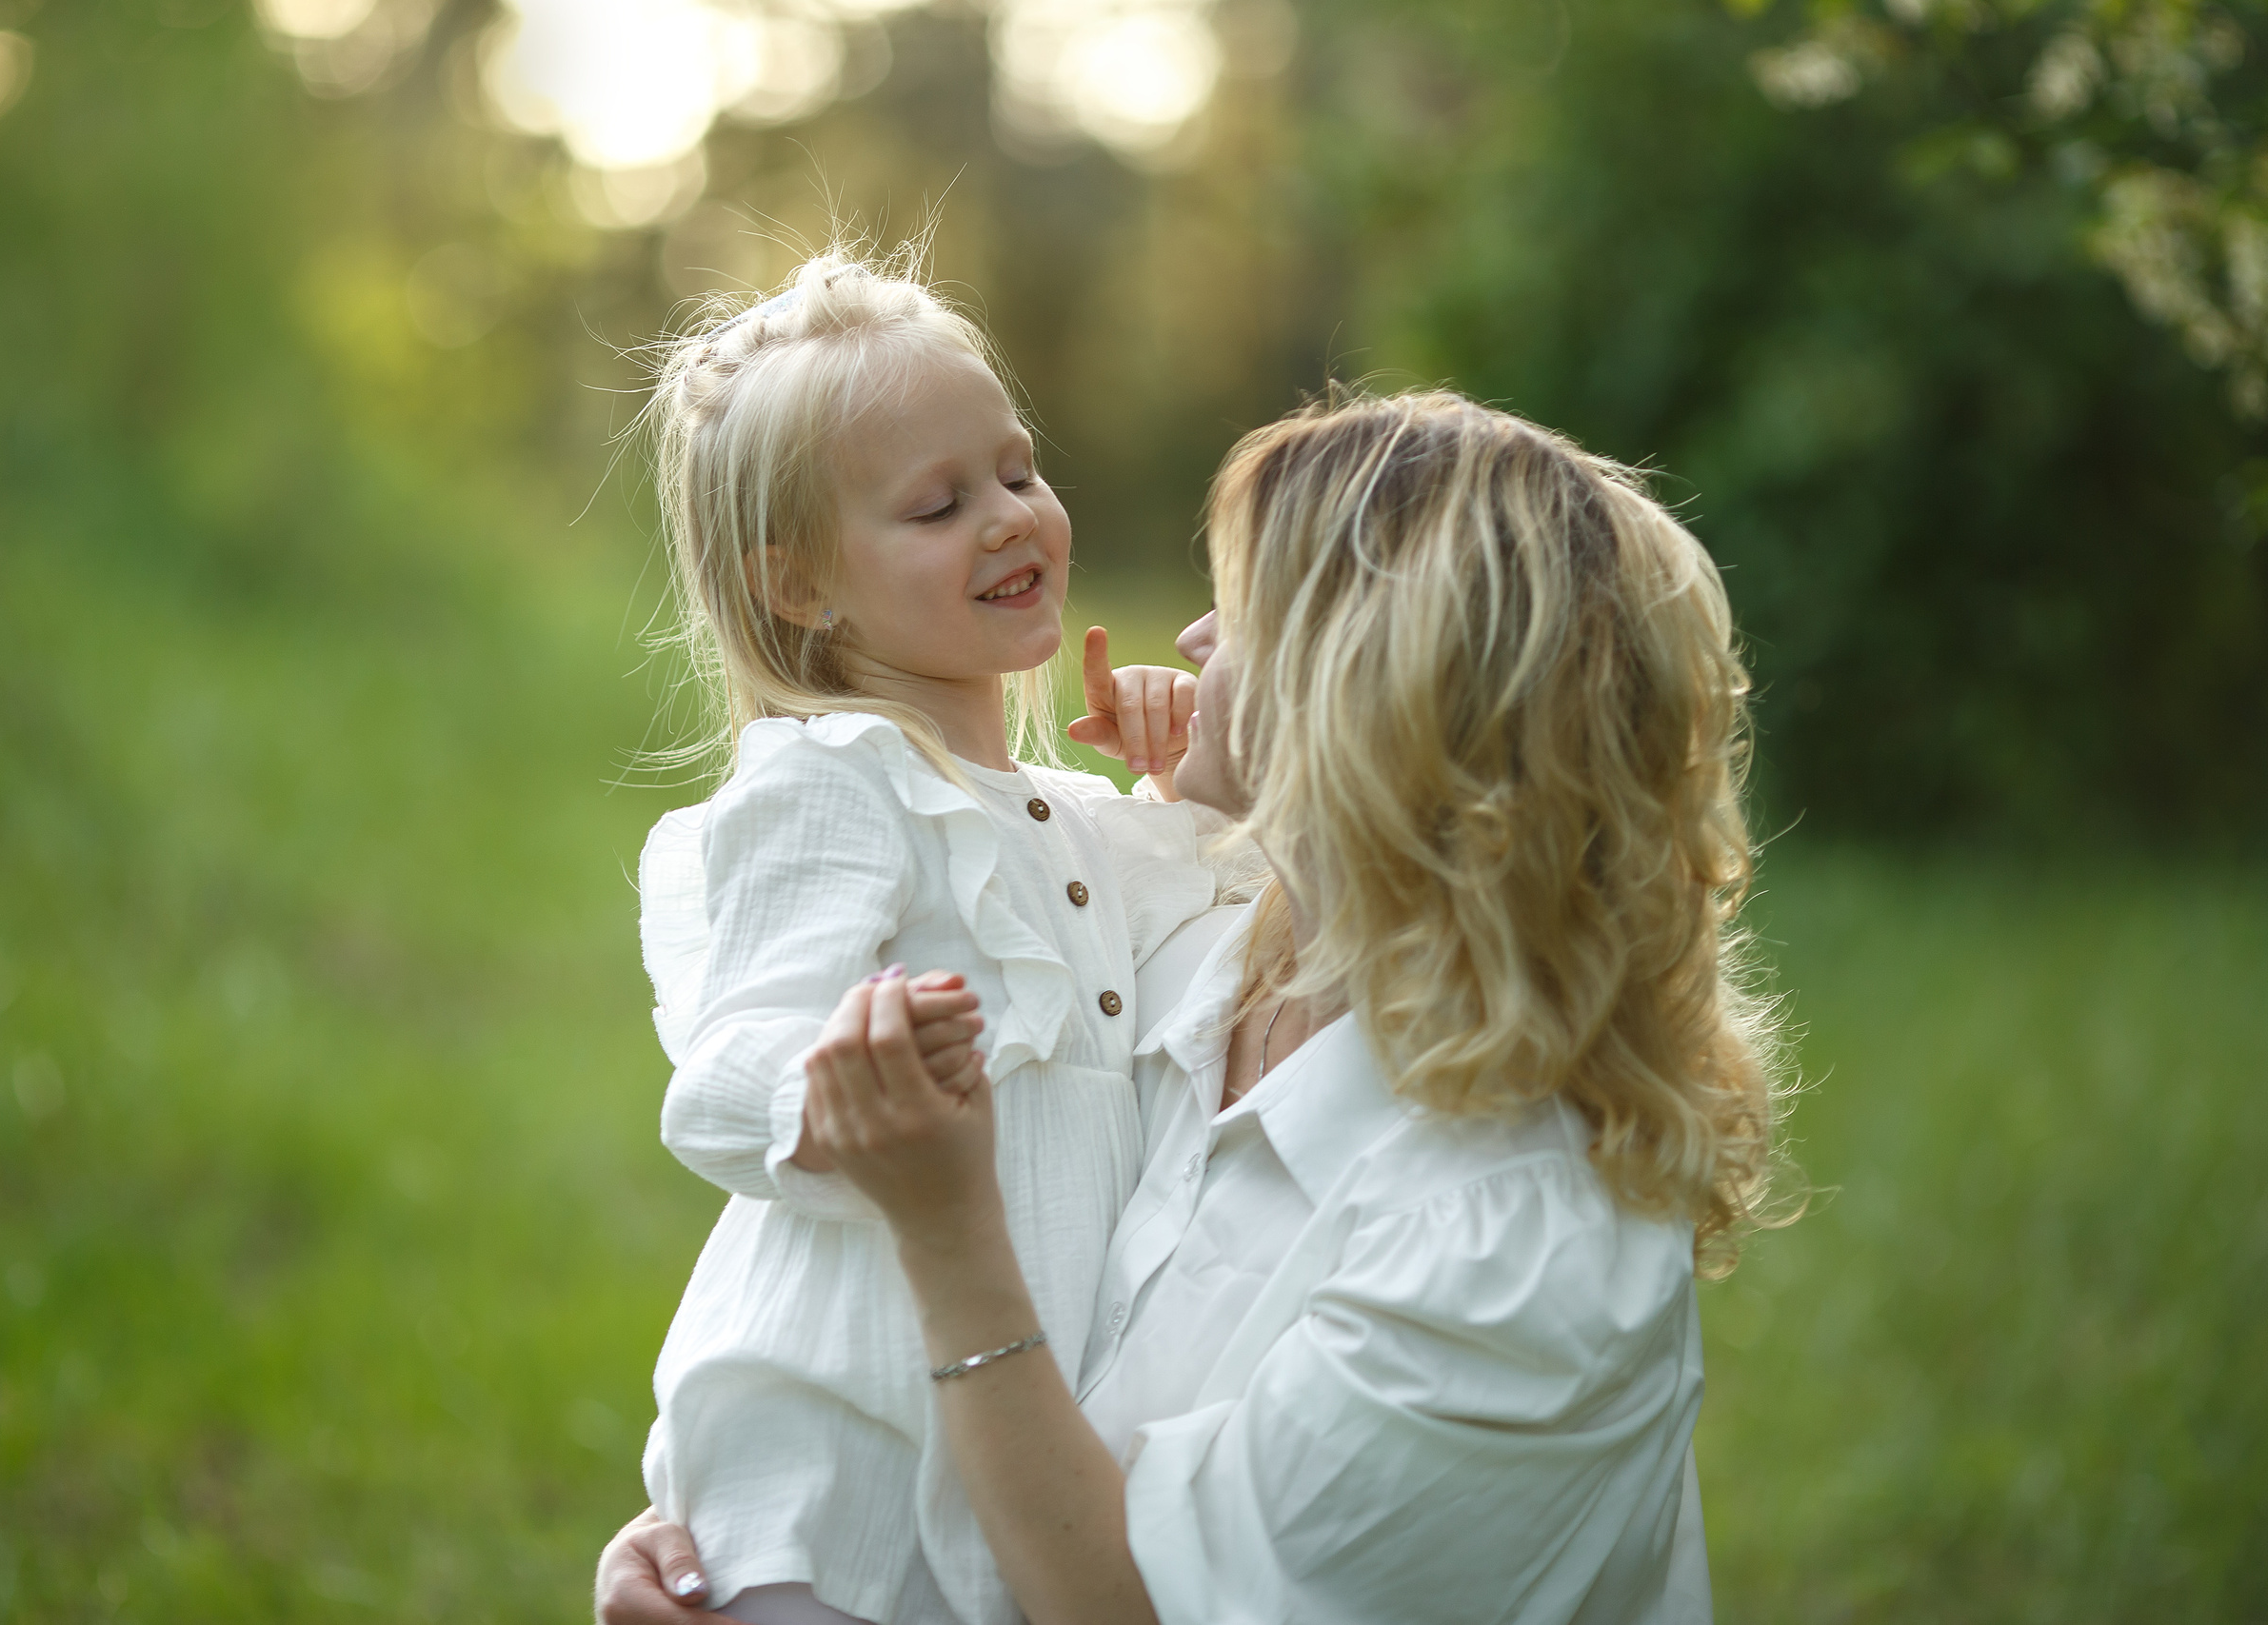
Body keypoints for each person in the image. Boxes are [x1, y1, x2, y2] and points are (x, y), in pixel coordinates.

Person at [602, 389, 1790, 1623]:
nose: (1199, 637)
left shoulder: (1514, 1246)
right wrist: (747, 1527)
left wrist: (949, 1242)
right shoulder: (1188, 964)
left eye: (1251, 613)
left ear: (1371, 700)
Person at [632, 245, 1234, 1625]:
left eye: (1018, 472)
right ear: (800, 588)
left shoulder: (1069, 821)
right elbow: (721, 1076)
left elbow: (1222, 913)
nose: (1012, 517)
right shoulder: (832, 781)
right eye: (939, 503)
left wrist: (1187, 773)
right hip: (835, 1463)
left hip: (1006, 1473)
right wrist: (851, 1075)